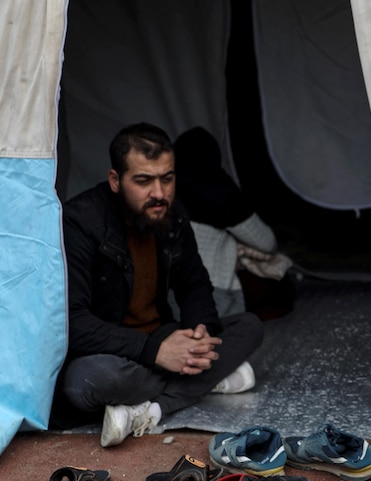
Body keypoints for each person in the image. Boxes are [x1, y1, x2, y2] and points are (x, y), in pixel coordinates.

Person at [52, 122, 265, 448]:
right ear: (115, 180)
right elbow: (73, 323)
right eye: (143, 181)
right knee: (87, 382)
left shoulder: (173, 214)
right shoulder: (80, 222)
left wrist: (200, 332)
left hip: (159, 336)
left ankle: (152, 408)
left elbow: (194, 284)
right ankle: (207, 381)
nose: (159, 193)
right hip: (109, 351)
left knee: (249, 326)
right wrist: (155, 352)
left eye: (167, 178)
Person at [173, 126, 295, 320]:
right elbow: (267, 243)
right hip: (208, 295)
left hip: (165, 295)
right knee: (282, 285)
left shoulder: (161, 191)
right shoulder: (219, 192)